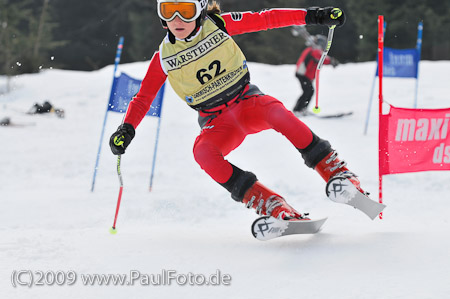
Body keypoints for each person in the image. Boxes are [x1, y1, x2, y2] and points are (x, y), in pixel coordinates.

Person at [110, 1, 364, 221]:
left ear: (199, 10)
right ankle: (271, 203)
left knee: (278, 114)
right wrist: (127, 128)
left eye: (185, 11)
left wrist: (312, 16)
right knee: (204, 154)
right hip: (216, 120)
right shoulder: (163, 58)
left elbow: (266, 19)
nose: (177, 20)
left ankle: (335, 172)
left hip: (247, 102)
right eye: (168, 11)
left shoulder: (218, 25)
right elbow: (143, 98)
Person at [293, 34, 339, 115]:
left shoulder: (313, 49)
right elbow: (321, 58)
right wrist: (331, 61)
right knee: (308, 91)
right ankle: (298, 110)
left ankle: (301, 109)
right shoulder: (314, 50)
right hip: (303, 74)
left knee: (309, 91)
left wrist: (330, 60)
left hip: (304, 74)